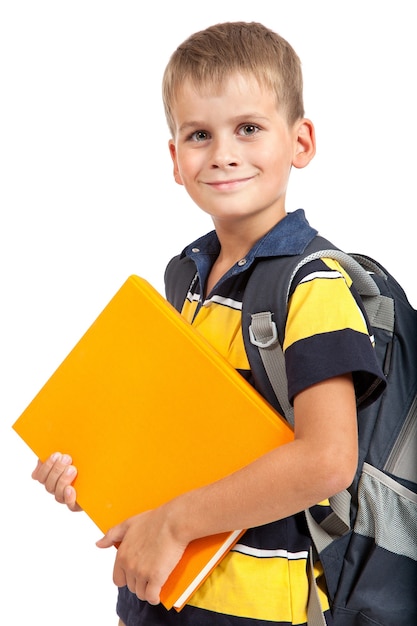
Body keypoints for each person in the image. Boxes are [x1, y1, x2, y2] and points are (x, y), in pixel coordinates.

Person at [32, 21, 386, 626]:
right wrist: (92, 475)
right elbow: (175, 441)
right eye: (199, 134)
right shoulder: (187, 281)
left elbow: (327, 459)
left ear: (300, 142)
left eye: (248, 128)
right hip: (161, 589)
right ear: (174, 158)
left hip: (255, 607)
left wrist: (175, 521)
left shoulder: (313, 285)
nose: (223, 152)